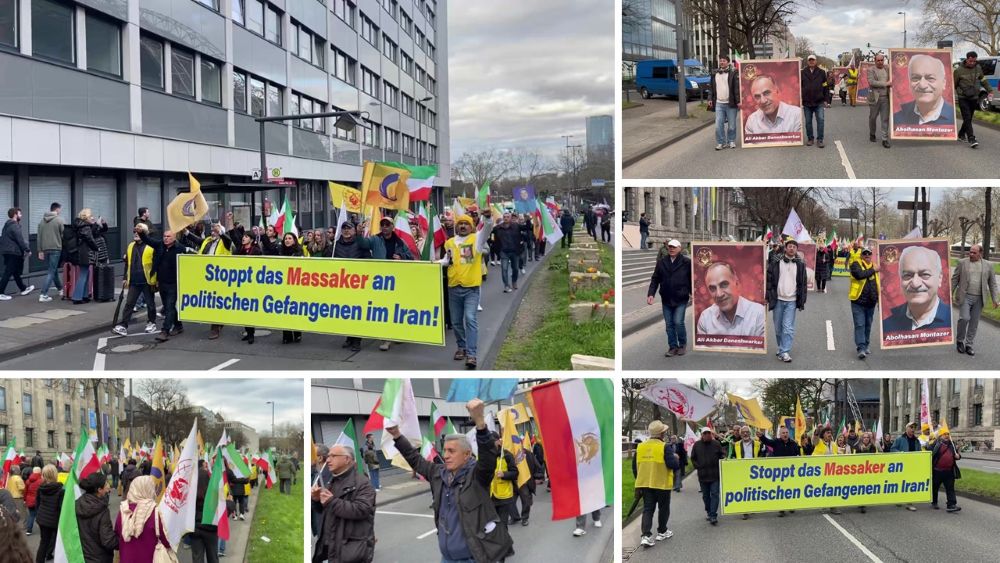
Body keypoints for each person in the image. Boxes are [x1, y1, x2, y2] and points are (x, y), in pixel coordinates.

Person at [386, 398, 515, 563]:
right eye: (445, 450)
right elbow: (415, 460)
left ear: (467, 455)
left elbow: (488, 457)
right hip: (447, 558)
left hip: (473, 558)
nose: (445, 455)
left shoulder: (477, 476)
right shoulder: (438, 473)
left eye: (451, 451)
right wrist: (397, 435)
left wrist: (480, 423)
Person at [439, 211, 494, 369]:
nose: (463, 226)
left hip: (470, 288)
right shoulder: (449, 242)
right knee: (456, 322)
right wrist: (433, 263)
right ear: (457, 227)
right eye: (460, 224)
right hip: (453, 287)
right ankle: (461, 347)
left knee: (470, 318)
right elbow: (447, 260)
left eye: (466, 224)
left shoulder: (476, 239)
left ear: (471, 227)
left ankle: (471, 354)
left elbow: (487, 228)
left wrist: (488, 218)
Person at [311, 444, 376, 563]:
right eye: (328, 456)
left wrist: (331, 501)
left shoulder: (363, 483)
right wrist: (316, 500)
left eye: (333, 456)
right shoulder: (332, 481)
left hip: (350, 551)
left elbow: (362, 509)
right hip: (330, 548)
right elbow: (326, 510)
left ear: (347, 459)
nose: (328, 460)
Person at [883, 245, 951, 332]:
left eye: (925, 274)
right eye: (908, 275)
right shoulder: (887, 325)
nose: (915, 283)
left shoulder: (950, 322)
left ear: (940, 278)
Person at [633, 420, 678, 547]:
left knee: (648, 509)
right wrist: (675, 458)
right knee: (663, 508)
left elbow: (635, 467)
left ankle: (646, 536)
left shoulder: (640, 447)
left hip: (645, 483)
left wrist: (639, 480)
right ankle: (662, 531)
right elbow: (672, 465)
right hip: (661, 483)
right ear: (662, 433)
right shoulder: (665, 447)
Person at [112, 224, 159, 336]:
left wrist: (157, 280)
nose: (136, 234)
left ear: (145, 233)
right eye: (135, 232)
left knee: (150, 303)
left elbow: (157, 265)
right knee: (129, 303)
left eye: (139, 231)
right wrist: (124, 278)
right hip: (133, 280)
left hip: (147, 280)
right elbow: (127, 264)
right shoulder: (130, 246)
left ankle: (151, 322)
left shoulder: (151, 247)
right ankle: (123, 325)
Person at [952, 244, 998, 356]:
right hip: (965, 296)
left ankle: (969, 344)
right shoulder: (962, 263)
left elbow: (992, 283)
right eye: (970, 252)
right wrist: (949, 293)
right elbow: (954, 280)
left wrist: (995, 299)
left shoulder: (988, 265)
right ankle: (960, 341)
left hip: (980, 298)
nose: (971, 254)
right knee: (964, 318)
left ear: (980, 254)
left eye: (974, 253)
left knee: (974, 322)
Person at [697, 262, 766, 337]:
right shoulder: (705, 318)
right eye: (712, 288)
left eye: (724, 285)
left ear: (737, 284)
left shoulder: (758, 314)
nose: (719, 294)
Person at [648, 239, 692, 357]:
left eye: (674, 247)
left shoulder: (687, 262)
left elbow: (692, 279)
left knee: (678, 322)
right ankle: (673, 346)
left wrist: (693, 293)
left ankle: (682, 344)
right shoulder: (662, 262)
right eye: (670, 247)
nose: (671, 249)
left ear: (679, 248)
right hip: (666, 298)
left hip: (681, 298)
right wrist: (651, 294)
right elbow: (655, 279)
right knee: (669, 324)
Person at [767, 239, 807, 362]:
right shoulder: (776, 262)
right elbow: (769, 280)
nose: (792, 248)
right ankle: (781, 348)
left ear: (796, 250)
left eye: (794, 247)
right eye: (789, 246)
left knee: (788, 327)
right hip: (778, 299)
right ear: (785, 248)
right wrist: (767, 296)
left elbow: (803, 283)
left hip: (792, 300)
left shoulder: (800, 264)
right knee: (778, 328)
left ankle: (785, 351)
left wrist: (802, 300)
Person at [114, 475, 169, 560]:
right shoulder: (155, 512)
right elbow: (165, 541)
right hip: (149, 558)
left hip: (127, 559)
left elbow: (117, 535)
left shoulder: (123, 510)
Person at [893, 54, 955, 127]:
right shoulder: (899, 117)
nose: (922, 85)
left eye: (930, 78)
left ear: (943, 83)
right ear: (909, 83)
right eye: (916, 78)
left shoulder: (952, 117)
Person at [76, 471, 117, 563]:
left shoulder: (77, 503)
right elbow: (108, 540)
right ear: (99, 490)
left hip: (82, 555)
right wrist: (122, 542)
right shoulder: (102, 510)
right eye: (106, 483)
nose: (108, 485)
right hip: (100, 558)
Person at [955, 51, 992, 148]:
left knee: (969, 118)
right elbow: (954, 84)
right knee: (967, 117)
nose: (972, 63)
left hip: (974, 97)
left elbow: (983, 80)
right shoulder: (958, 71)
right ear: (966, 59)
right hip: (963, 98)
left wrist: (990, 90)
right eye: (970, 61)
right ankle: (971, 138)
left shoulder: (978, 68)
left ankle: (961, 134)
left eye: (974, 61)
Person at [849, 247, 880, 359]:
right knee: (860, 325)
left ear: (871, 255)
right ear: (861, 255)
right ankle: (861, 348)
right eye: (865, 253)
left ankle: (866, 345)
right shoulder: (855, 264)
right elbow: (859, 275)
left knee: (868, 325)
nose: (867, 255)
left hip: (871, 303)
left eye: (869, 253)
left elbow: (879, 284)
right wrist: (873, 270)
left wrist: (880, 301)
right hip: (858, 302)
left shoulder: (875, 266)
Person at [690, 428, 724, 525]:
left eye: (709, 433)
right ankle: (709, 512)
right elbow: (693, 458)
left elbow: (722, 454)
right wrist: (698, 466)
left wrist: (723, 458)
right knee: (705, 496)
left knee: (715, 494)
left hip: (715, 475)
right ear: (702, 435)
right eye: (705, 433)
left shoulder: (716, 444)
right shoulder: (697, 445)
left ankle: (713, 515)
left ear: (711, 434)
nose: (707, 435)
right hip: (703, 475)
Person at [0, 208, 34, 300]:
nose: (21, 215)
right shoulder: (14, 226)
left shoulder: (7, 225)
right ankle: (0, 292)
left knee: (14, 272)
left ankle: (23, 288)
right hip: (13, 252)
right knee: (8, 272)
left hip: (7, 251)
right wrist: (27, 250)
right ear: (15, 215)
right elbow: (20, 240)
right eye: (20, 214)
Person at [489, 432, 521, 526]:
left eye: (492, 441)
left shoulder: (507, 455)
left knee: (502, 525)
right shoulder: (485, 456)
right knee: (493, 526)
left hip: (504, 496)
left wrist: (504, 474)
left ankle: (504, 540)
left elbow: (515, 473)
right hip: (489, 496)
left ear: (499, 441)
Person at [191, 459, 220, 563]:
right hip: (211, 530)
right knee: (213, 558)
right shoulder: (213, 495)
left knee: (197, 559)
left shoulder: (191, 496)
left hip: (195, 530)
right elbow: (225, 509)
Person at [36, 202, 64, 302]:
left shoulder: (42, 221)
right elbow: (63, 235)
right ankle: (43, 294)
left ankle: (60, 289)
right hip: (56, 248)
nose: (60, 211)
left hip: (45, 249)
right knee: (51, 271)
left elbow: (39, 237)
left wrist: (40, 250)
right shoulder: (59, 220)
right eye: (60, 209)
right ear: (57, 209)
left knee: (53, 269)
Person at [801, 54, 831, 147]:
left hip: (819, 101)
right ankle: (810, 139)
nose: (811, 61)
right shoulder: (802, 72)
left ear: (816, 61)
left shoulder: (822, 72)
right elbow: (799, 86)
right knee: (808, 122)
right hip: (807, 102)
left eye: (813, 60)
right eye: (810, 60)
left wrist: (826, 99)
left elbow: (825, 86)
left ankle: (820, 139)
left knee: (821, 120)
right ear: (807, 62)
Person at [711, 54, 740, 149]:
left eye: (723, 60)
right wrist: (709, 99)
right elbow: (711, 88)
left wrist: (738, 101)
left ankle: (731, 141)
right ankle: (721, 142)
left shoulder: (734, 72)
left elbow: (736, 88)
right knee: (718, 125)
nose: (722, 62)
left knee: (731, 125)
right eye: (720, 60)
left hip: (730, 103)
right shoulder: (714, 73)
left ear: (728, 62)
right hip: (719, 103)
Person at [891, 423, 921, 511]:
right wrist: (900, 453)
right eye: (911, 427)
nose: (913, 429)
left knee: (910, 484)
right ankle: (898, 498)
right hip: (901, 466)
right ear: (906, 428)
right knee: (901, 483)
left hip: (912, 466)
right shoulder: (900, 439)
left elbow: (919, 452)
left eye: (914, 427)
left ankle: (909, 503)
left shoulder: (916, 441)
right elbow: (893, 449)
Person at [930, 427, 962, 512]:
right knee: (935, 487)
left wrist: (958, 457)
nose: (947, 436)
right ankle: (934, 502)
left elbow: (957, 455)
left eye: (948, 434)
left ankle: (951, 505)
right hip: (937, 471)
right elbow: (929, 453)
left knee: (950, 488)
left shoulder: (952, 444)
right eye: (945, 434)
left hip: (949, 471)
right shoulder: (936, 443)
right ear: (940, 436)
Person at [867, 53, 892, 148]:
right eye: (878, 60)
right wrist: (886, 84)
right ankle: (872, 133)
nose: (880, 62)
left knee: (885, 119)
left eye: (882, 60)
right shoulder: (870, 70)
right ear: (875, 61)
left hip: (886, 98)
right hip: (875, 98)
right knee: (872, 118)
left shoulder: (888, 69)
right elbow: (871, 82)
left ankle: (884, 139)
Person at [23, 467, 41, 535]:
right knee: (39, 515)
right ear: (40, 472)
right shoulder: (41, 481)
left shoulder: (28, 481)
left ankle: (29, 530)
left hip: (29, 501)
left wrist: (24, 499)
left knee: (31, 515)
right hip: (37, 501)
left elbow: (25, 491)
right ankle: (42, 529)